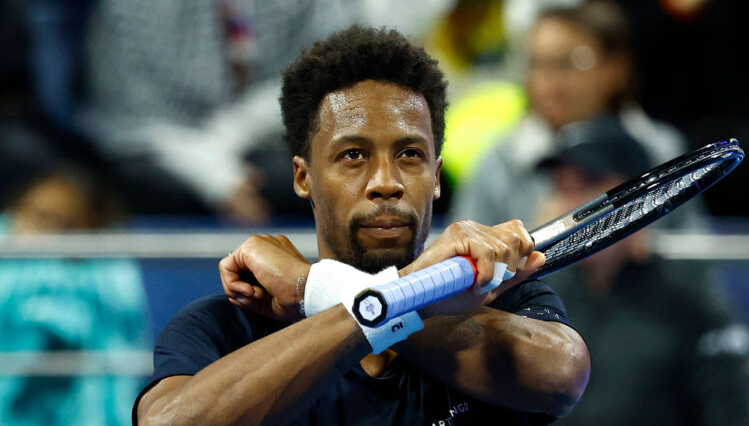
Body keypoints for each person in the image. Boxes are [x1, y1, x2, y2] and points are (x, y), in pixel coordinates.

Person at [133, 26, 590, 426]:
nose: (386, 183)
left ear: (435, 177)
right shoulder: (225, 325)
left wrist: (316, 288)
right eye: (353, 156)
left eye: (410, 155)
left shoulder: (506, 299)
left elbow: (563, 375)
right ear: (303, 177)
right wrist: (409, 290)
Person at [534, 128, 749, 426]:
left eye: (588, 185)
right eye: (562, 187)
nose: (572, 208)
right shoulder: (542, 300)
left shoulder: (695, 310)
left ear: (642, 201)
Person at [449, 0, 696, 228]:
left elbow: (697, 257)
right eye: (537, 64)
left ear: (617, 67)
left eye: (567, 63)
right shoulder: (499, 162)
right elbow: (465, 258)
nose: (547, 82)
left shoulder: (661, 152)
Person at [0, 165, 150, 425]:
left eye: (57, 221)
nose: (39, 233)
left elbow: (105, 334)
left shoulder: (100, 275)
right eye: (36, 214)